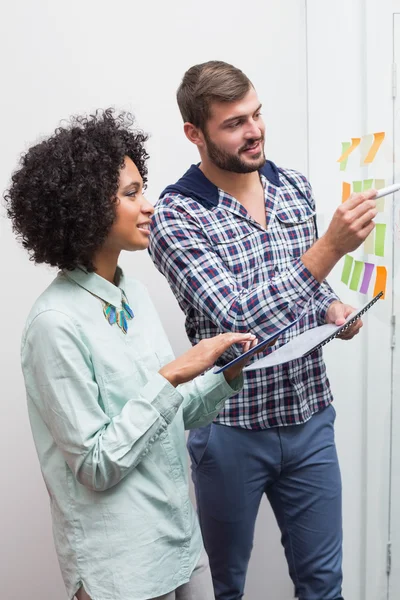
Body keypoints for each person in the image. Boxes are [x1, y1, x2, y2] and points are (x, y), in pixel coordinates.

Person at [4, 109, 258, 600]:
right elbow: (97, 464)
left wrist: (224, 374)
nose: (149, 206)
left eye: (143, 189)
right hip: (121, 568)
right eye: (130, 193)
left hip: (179, 544)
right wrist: (171, 374)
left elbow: (169, 415)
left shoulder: (133, 295)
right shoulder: (54, 324)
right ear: (85, 207)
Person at [149, 61, 378, 600]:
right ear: (194, 134)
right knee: (220, 588)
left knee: (324, 585)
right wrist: (326, 253)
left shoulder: (293, 186)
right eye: (233, 123)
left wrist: (331, 309)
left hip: (310, 417)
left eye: (256, 114)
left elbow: (304, 292)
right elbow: (237, 316)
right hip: (230, 428)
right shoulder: (177, 215)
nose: (254, 131)